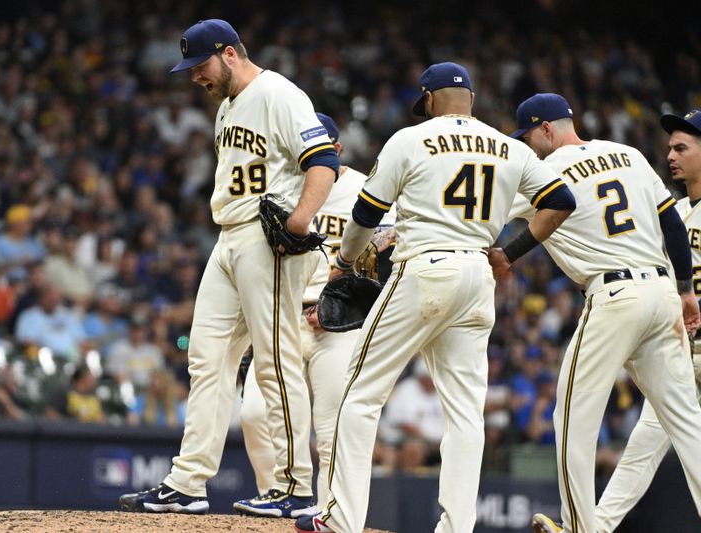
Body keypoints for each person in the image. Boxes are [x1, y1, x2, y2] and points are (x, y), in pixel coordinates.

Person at [295, 63, 575, 533]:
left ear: (429, 100)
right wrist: (509, 253)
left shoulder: (411, 138)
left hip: (425, 269)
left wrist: (345, 259)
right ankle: (456, 528)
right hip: (478, 276)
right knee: (466, 412)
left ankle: (339, 518)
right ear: (472, 99)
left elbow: (367, 210)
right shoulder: (508, 146)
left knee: (357, 395)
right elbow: (561, 200)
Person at [119, 19, 338, 516]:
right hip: (229, 237)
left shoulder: (280, 94)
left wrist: (300, 225)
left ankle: (295, 486)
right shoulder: (225, 109)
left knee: (274, 358)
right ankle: (189, 481)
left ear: (230, 53)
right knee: (206, 355)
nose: (195, 76)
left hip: (269, 238)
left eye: (200, 65)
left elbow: (322, 161)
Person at [497, 94, 701, 533]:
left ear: (547, 129)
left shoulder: (545, 169)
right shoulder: (627, 154)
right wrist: (685, 290)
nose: (529, 146)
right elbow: (672, 225)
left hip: (614, 294)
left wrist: (504, 253)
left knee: (571, 416)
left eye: (530, 136)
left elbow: (486, 213)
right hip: (663, 292)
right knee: (688, 427)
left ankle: (578, 527)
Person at [238, 113, 395, 508]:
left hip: (340, 324)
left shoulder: (366, 188)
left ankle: (330, 514)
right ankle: (276, 496)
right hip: (285, 316)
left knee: (330, 430)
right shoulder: (281, 186)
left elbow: (389, 248)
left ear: (337, 150)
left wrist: (341, 297)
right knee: (256, 415)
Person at [571, 109, 701, 533]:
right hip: (682, 350)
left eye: (681, 147)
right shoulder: (673, 211)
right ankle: (596, 527)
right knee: (644, 448)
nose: (671, 155)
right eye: (669, 148)